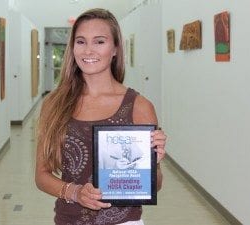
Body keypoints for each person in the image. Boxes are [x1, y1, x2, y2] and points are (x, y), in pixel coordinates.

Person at [35, 8, 167, 225]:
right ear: (72, 47)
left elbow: (155, 185)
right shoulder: (54, 104)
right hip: (69, 220)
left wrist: (153, 163)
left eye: (99, 41)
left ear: (115, 48)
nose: (88, 51)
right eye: (80, 41)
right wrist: (75, 192)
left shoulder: (139, 106)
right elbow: (41, 175)